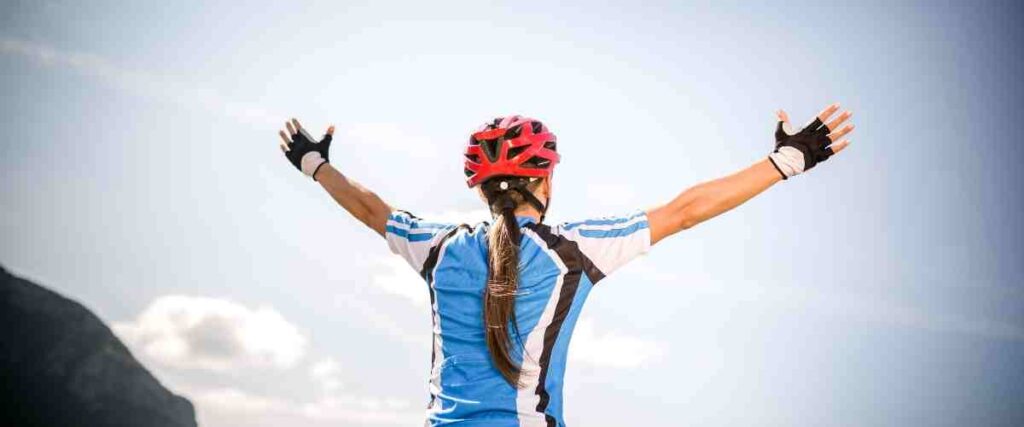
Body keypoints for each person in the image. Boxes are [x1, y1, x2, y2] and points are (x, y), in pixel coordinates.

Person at [277, 105, 854, 426]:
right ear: (546, 179)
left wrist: (313, 164)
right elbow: (685, 211)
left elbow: (369, 207)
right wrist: (787, 160)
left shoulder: (438, 246)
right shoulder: (575, 249)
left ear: (477, 187)